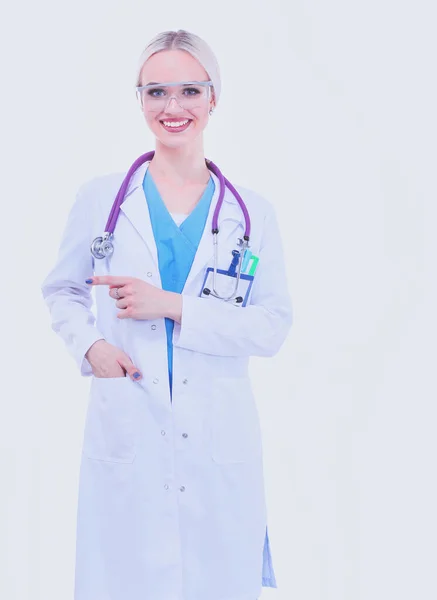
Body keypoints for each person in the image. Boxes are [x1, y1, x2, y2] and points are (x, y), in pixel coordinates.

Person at [41, 29, 293, 600]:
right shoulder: (101, 199)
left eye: (188, 91)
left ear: (213, 99)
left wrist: (174, 307)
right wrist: (91, 348)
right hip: (127, 423)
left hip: (217, 437)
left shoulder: (250, 213)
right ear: (139, 99)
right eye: (156, 92)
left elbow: (272, 325)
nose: (172, 107)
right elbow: (62, 290)